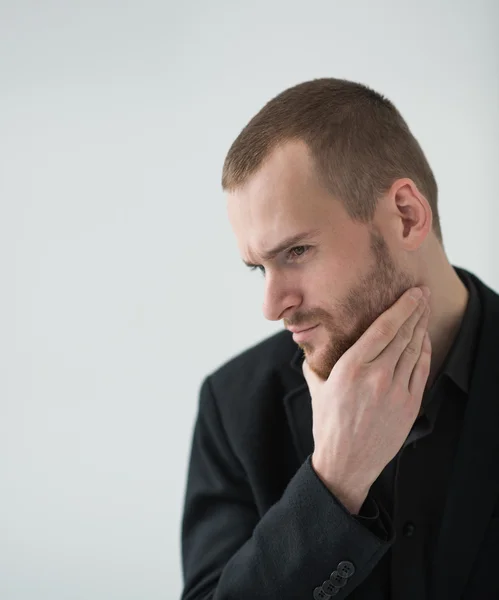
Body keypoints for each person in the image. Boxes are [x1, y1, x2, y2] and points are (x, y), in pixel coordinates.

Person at [179, 78, 499, 600]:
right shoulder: (232, 408)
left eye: (297, 252)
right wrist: (332, 485)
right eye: (258, 267)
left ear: (406, 215)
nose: (271, 304)